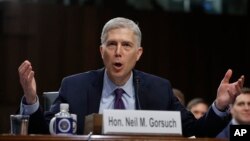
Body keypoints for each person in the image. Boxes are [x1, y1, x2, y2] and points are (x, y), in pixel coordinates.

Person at [18, 17, 245, 137]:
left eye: (126, 45)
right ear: (101, 51)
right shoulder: (75, 86)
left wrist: (219, 105)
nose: (118, 52)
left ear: (138, 54)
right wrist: (30, 98)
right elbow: (42, 131)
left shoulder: (158, 89)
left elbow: (196, 131)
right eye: (112, 44)